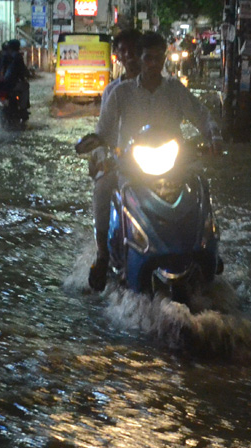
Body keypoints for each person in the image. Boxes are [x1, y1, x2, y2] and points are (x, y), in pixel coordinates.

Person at [88, 31, 223, 291]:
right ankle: (103, 255)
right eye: (148, 58)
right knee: (103, 187)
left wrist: (213, 136)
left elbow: (201, 115)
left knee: (201, 183)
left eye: (158, 58)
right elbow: (103, 133)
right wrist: (103, 156)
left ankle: (208, 244)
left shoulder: (175, 90)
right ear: (139, 59)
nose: (154, 64)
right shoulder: (120, 93)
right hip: (131, 165)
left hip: (174, 162)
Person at [102, 27, 143, 103]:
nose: (128, 54)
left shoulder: (156, 88)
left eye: (132, 48)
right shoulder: (111, 91)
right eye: (123, 50)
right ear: (117, 55)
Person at [0, 39, 30, 109]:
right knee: (26, 86)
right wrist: (26, 76)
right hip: (11, 86)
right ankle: (23, 108)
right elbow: (22, 71)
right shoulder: (17, 57)